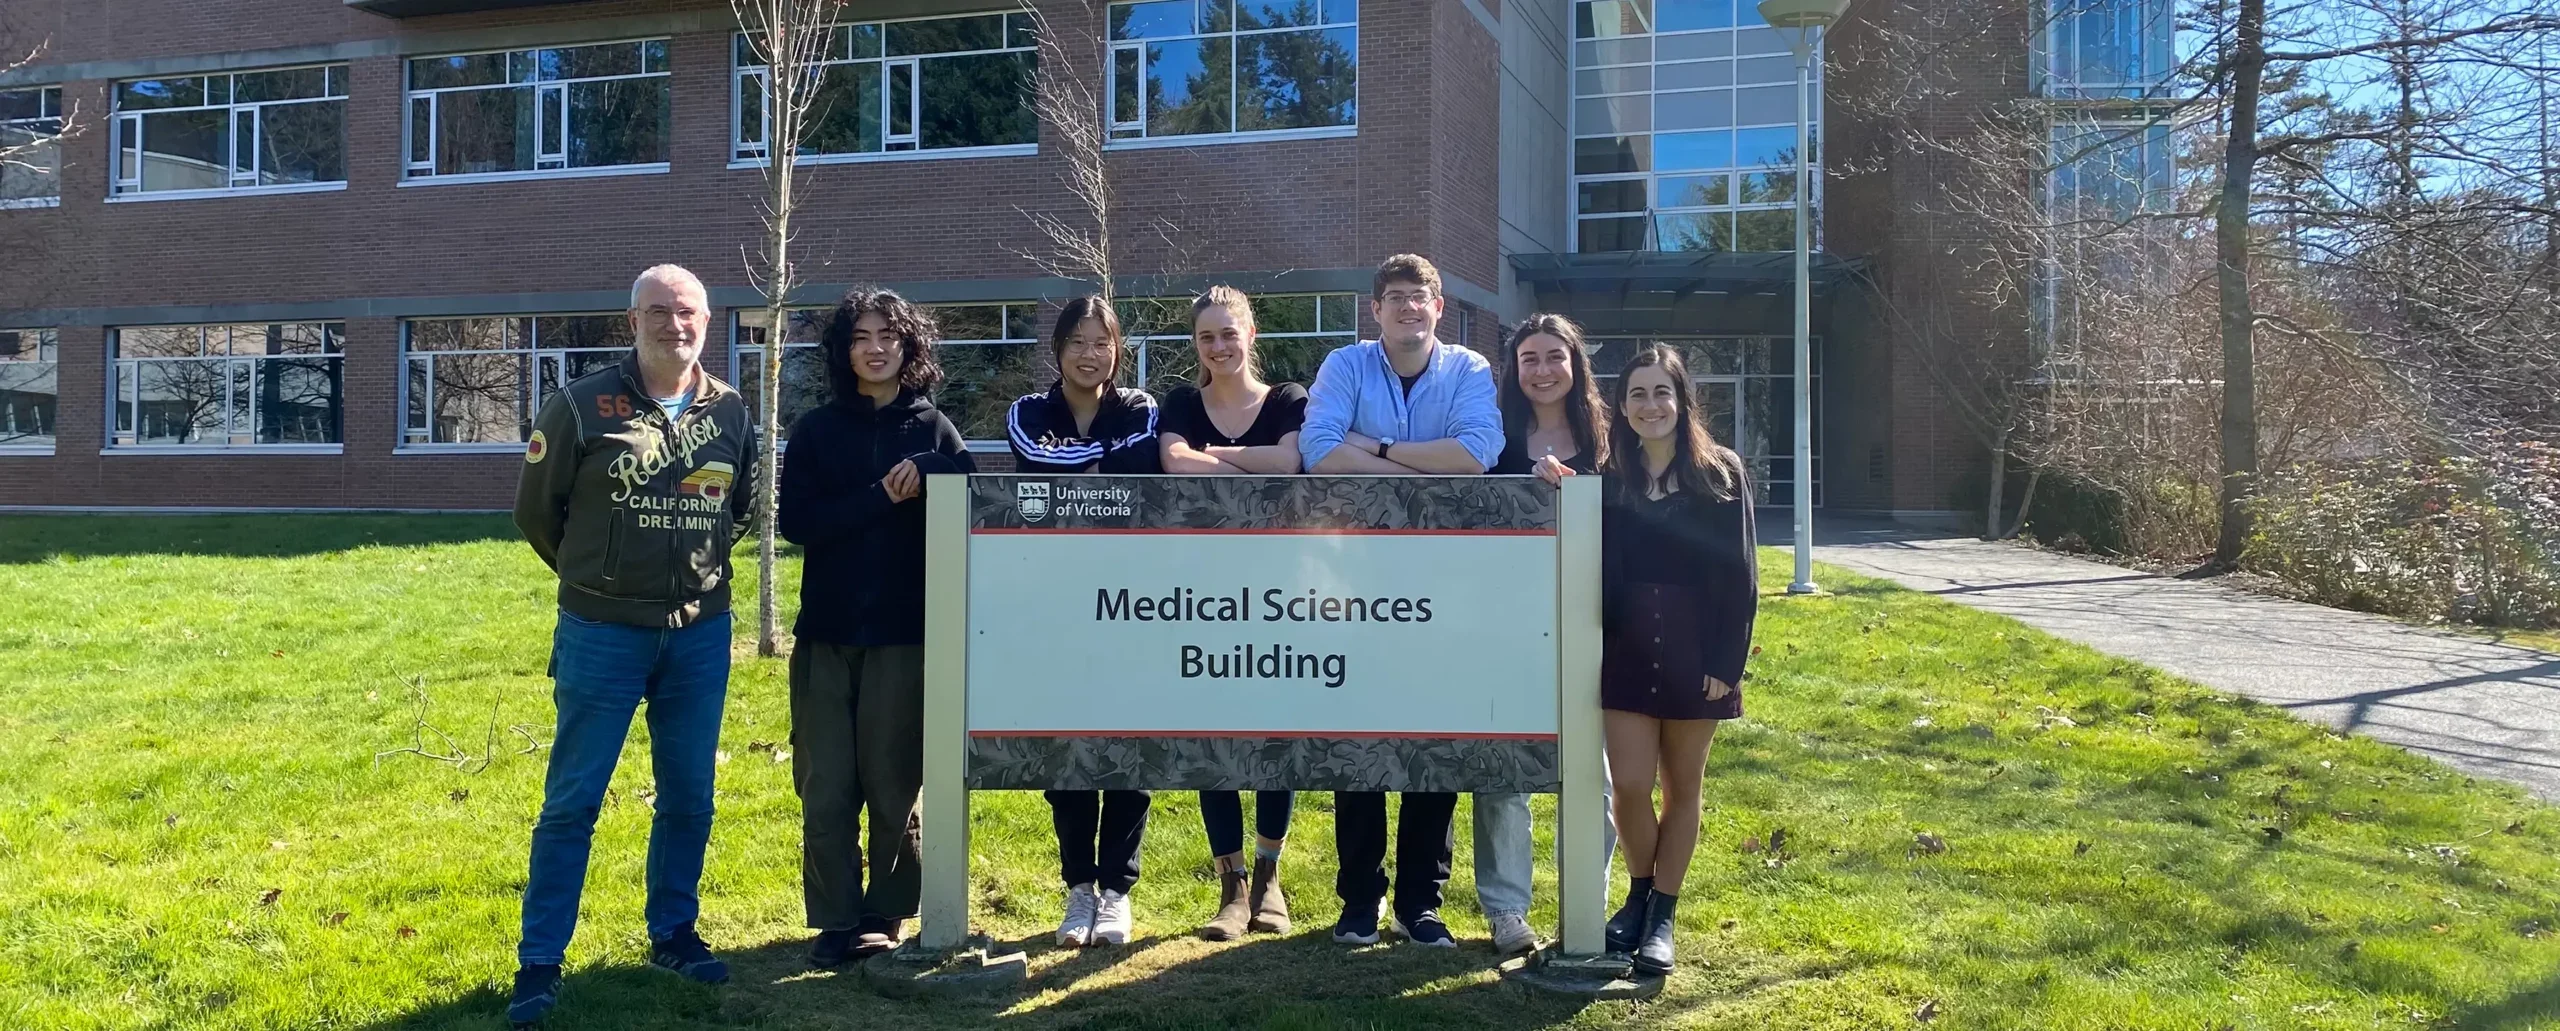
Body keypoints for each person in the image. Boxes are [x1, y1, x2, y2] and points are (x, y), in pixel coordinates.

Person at [506, 265, 759, 1025]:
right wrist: (598, 578)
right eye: (658, 311)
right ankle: (540, 960)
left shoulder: (733, 412)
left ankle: (673, 931)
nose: (673, 324)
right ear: (632, 320)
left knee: (689, 796)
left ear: (706, 323)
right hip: (601, 634)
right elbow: (536, 514)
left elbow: (738, 508)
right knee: (571, 801)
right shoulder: (582, 407)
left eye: (686, 313)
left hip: (698, 634)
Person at [1299, 254, 1502, 948]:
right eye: (1395, 299)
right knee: (1357, 734)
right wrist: (1416, 464)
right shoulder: (1345, 366)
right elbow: (1319, 448)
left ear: (1439, 308)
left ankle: (1421, 902)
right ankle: (1360, 900)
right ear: (1375, 310)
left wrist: (1378, 447)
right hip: (1353, 577)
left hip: (1445, 581)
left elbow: (1477, 454)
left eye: (1421, 299)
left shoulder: (1470, 370)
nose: (1409, 309)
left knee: (1432, 740)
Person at [777, 288, 975, 970]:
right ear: (843, 350)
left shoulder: (932, 427)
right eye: (861, 336)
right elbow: (796, 523)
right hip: (827, 635)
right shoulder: (816, 431)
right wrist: (877, 499)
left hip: (904, 635)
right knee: (826, 782)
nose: (876, 346)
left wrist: (928, 470)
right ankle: (833, 917)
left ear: (909, 346)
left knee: (894, 781)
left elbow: (970, 488)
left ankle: (884, 912)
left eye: (889, 335)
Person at [1596, 344, 1759, 977]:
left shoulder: (1721, 472)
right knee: (1631, 787)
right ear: (1623, 406)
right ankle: (1640, 892)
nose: (1649, 405)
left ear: (1682, 399)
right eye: (1637, 394)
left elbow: (1742, 574)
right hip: (1628, 649)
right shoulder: (1611, 478)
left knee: (1681, 787)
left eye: (1661, 392)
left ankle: (1662, 913)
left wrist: (1728, 659)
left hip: (1700, 649)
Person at [1155, 286, 1308, 940]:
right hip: (1203, 589)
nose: (1219, 346)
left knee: (1277, 730)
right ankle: (1232, 884)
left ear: (1252, 333)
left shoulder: (1288, 400)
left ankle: (1272, 876)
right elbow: (1173, 465)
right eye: (1207, 337)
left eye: (1229, 332)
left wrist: (1212, 458)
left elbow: (1291, 461)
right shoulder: (1182, 402)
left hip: (1279, 589)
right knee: (1210, 728)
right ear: (1197, 345)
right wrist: (1249, 463)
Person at [1006, 295, 1158, 946]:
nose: (1090, 353)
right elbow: (1037, 482)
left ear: (1117, 349)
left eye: (1103, 342)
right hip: (1056, 604)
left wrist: (1079, 474)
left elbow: (1137, 482)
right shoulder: (1026, 413)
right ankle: (1078, 890)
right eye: (1078, 341)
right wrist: (1095, 470)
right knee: (1066, 749)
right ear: (1057, 348)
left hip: (1131, 600)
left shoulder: (1142, 409)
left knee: (1128, 745)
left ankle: (1117, 893)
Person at [1472, 313, 1617, 957]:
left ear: (1575, 362)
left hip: (1587, 621)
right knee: (1503, 773)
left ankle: (1588, 901)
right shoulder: (1491, 436)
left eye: (1554, 356)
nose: (1542, 369)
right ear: (1513, 368)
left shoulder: (1609, 439)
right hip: (1502, 621)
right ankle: (1507, 911)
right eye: (1528, 358)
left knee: (1595, 775)